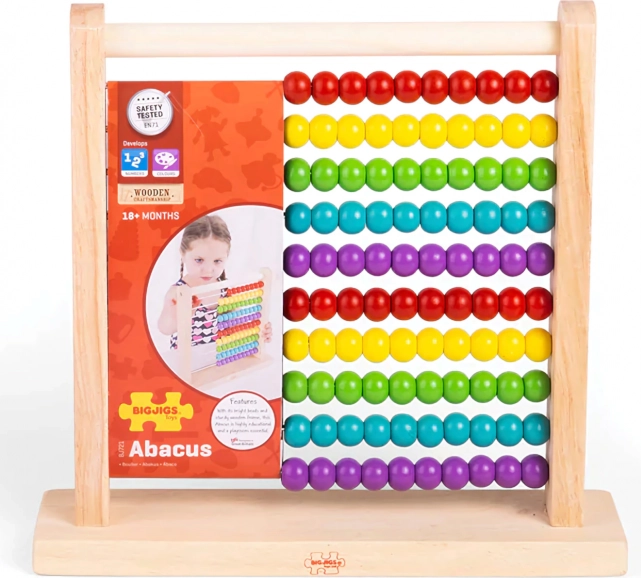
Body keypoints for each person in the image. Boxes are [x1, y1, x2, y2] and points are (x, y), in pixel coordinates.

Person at [158, 213, 272, 349]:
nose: (208, 270)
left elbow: (236, 325)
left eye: (217, 261)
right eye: (199, 260)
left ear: (226, 257)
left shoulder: (226, 289)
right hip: (185, 360)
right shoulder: (178, 292)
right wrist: (177, 315)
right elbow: (164, 329)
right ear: (183, 254)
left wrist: (258, 332)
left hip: (218, 359)